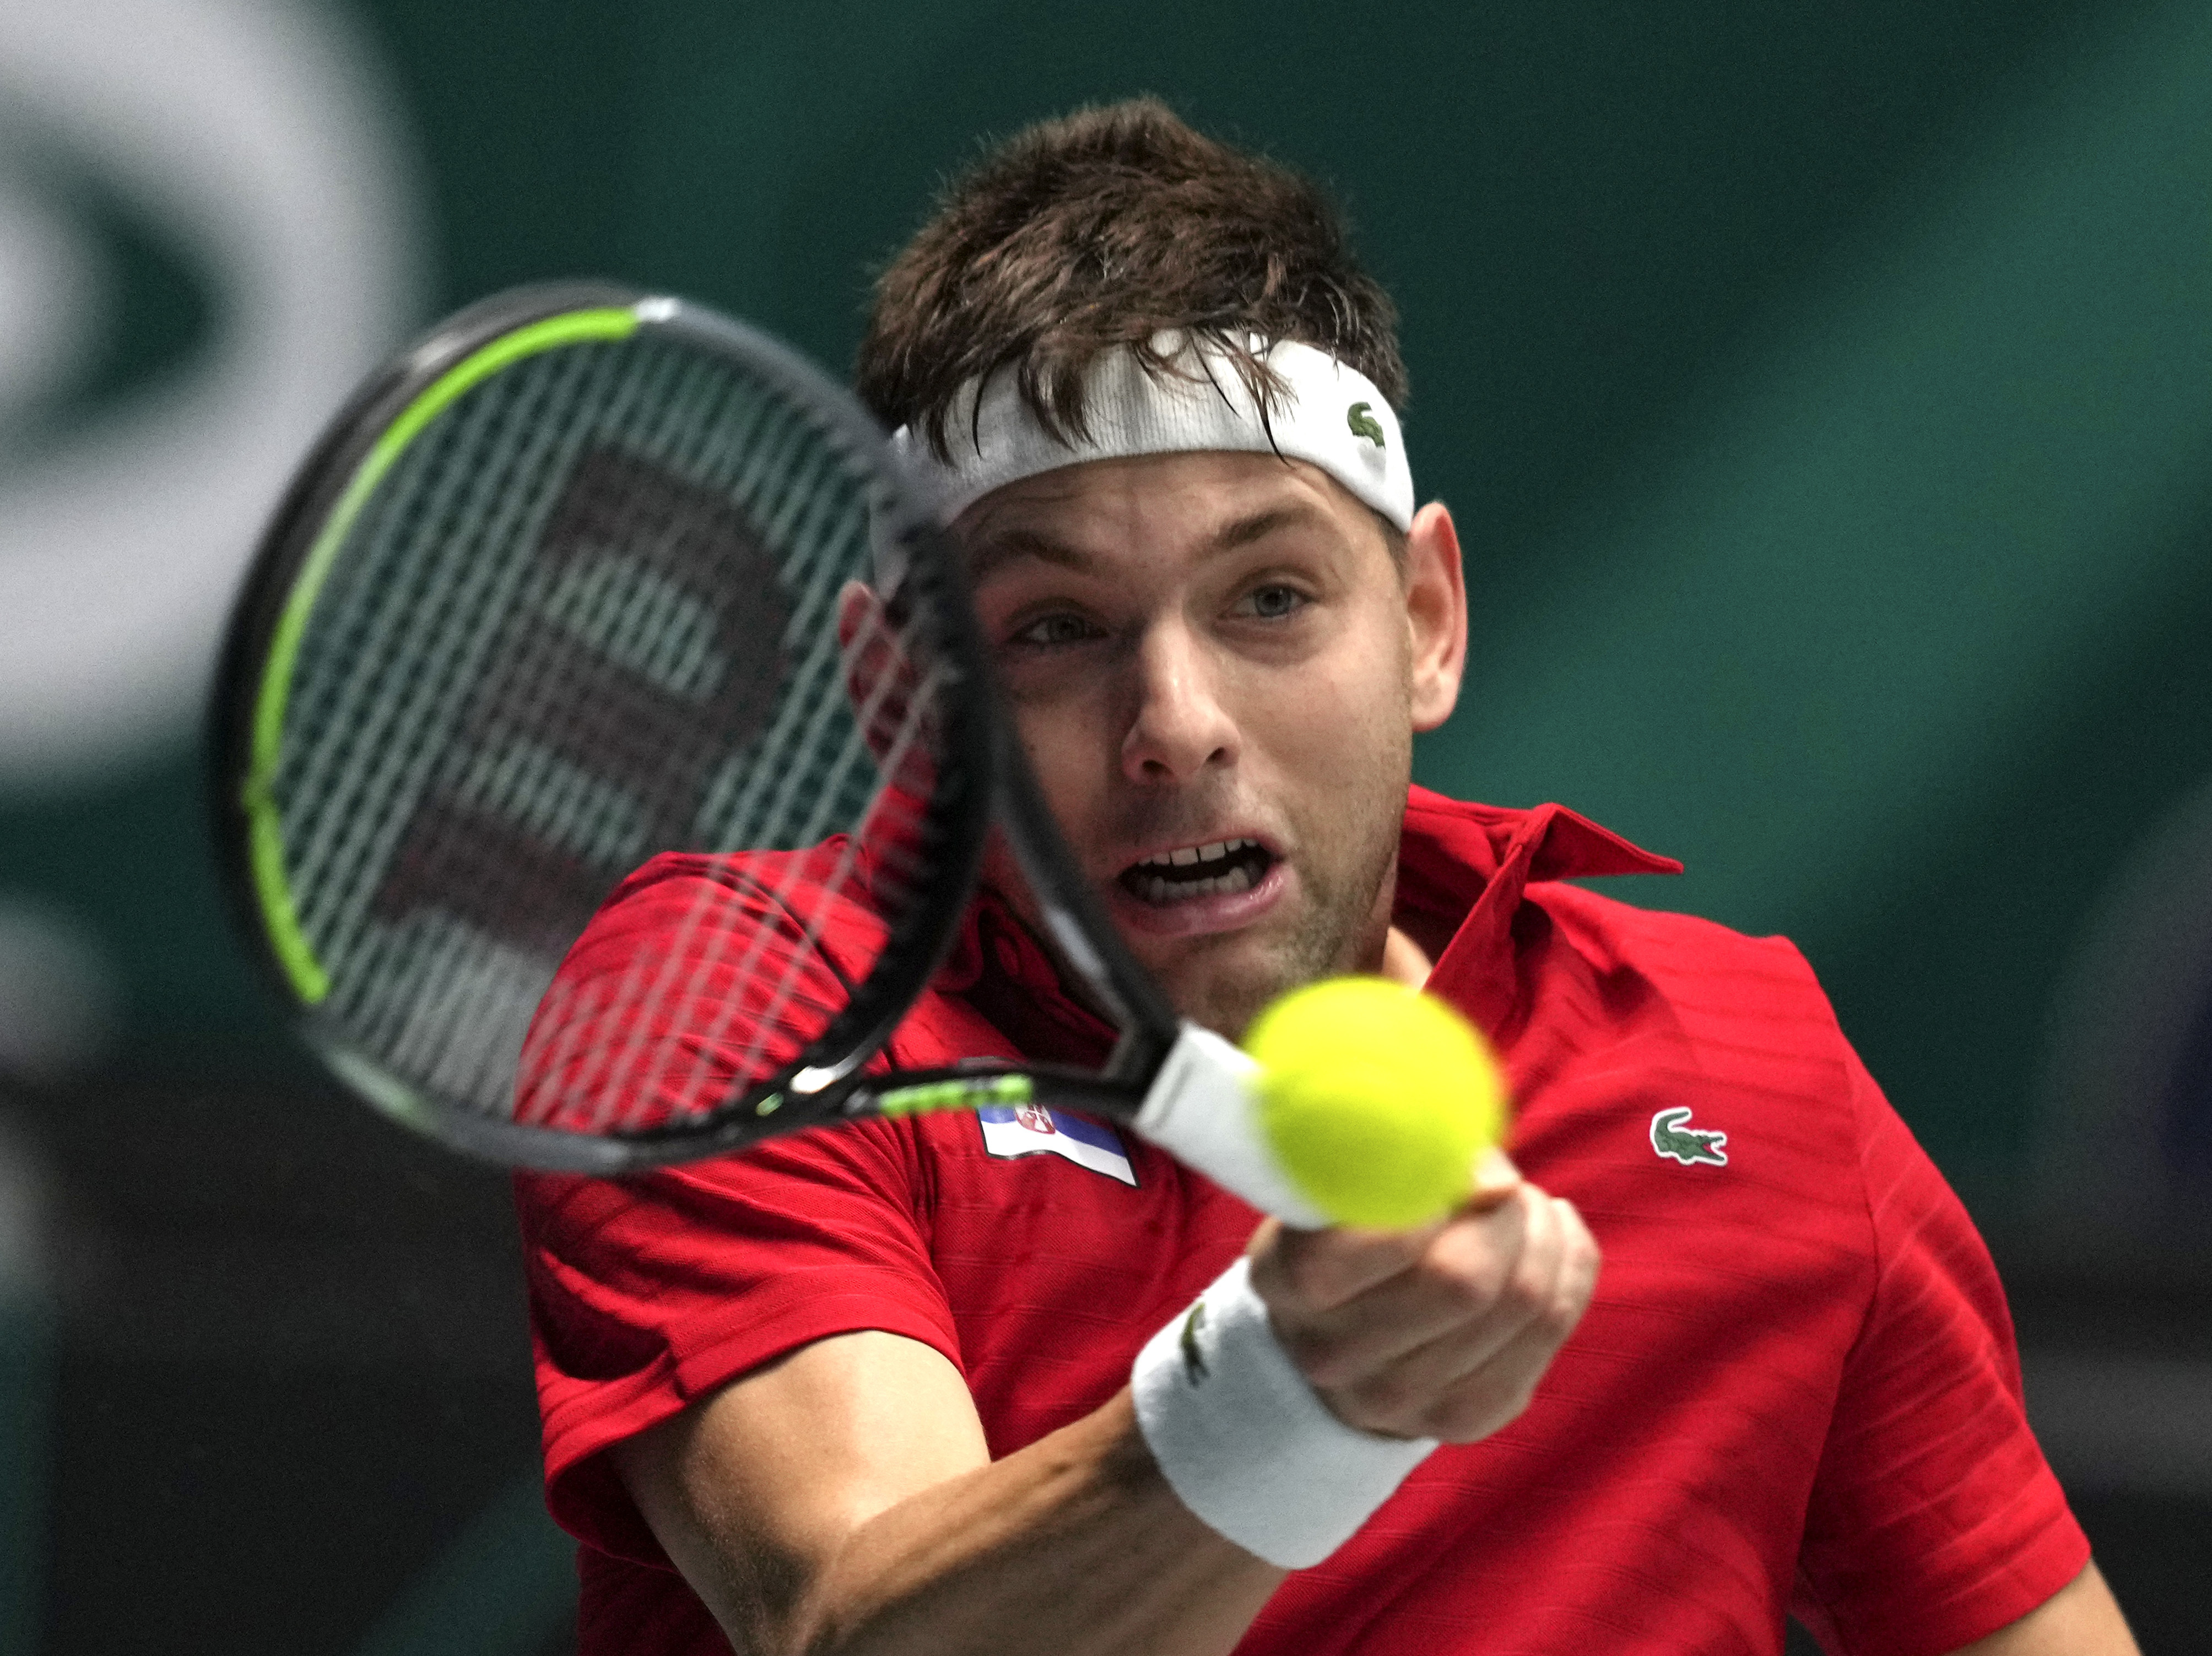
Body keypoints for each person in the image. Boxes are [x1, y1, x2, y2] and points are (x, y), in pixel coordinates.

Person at [513, 100, 2136, 1655]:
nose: (1175, 723)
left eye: (1271, 598)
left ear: (1427, 620)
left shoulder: (1740, 1067)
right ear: (899, 699)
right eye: (1054, 629)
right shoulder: (738, 1004)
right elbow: (846, 1630)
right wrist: (1282, 1403)